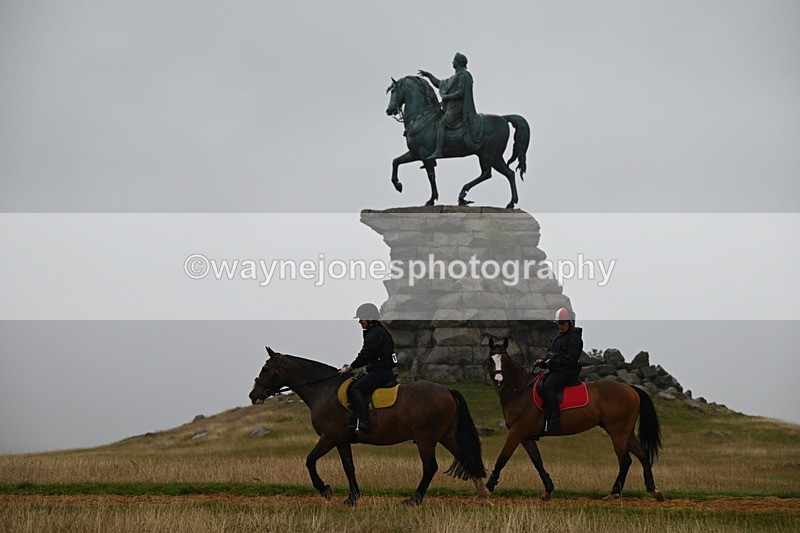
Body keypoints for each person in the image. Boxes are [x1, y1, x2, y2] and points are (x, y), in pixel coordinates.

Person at [338, 303, 398, 433]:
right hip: (379, 369)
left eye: (361, 318)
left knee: (356, 389)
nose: (359, 321)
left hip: (382, 371)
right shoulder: (375, 331)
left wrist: (349, 368)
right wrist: (353, 366)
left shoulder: (375, 333)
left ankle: (364, 423)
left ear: (370, 318)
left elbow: (365, 355)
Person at [418, 52, 483, 159]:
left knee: (441, 123)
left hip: (457, 109)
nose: (452, 62)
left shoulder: (464, 75)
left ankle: (438, 151)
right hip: (450, 109)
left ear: (458, 62)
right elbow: (439, 84)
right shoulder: (454, 77)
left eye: (454, 60)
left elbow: (460, 92)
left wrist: (447, 97)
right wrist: (429, 75)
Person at [534, 307, 583, 434]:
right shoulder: (557, 337)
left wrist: (551, 362)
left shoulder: (574, 338)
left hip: (569, 371)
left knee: (548, 386)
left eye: (563, 323)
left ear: (570, 323)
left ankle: (554, 420)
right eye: (559, 324)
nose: (560, 326)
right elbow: (551, 354)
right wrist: (543, 362)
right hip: (558, 370)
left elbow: (570, 358)